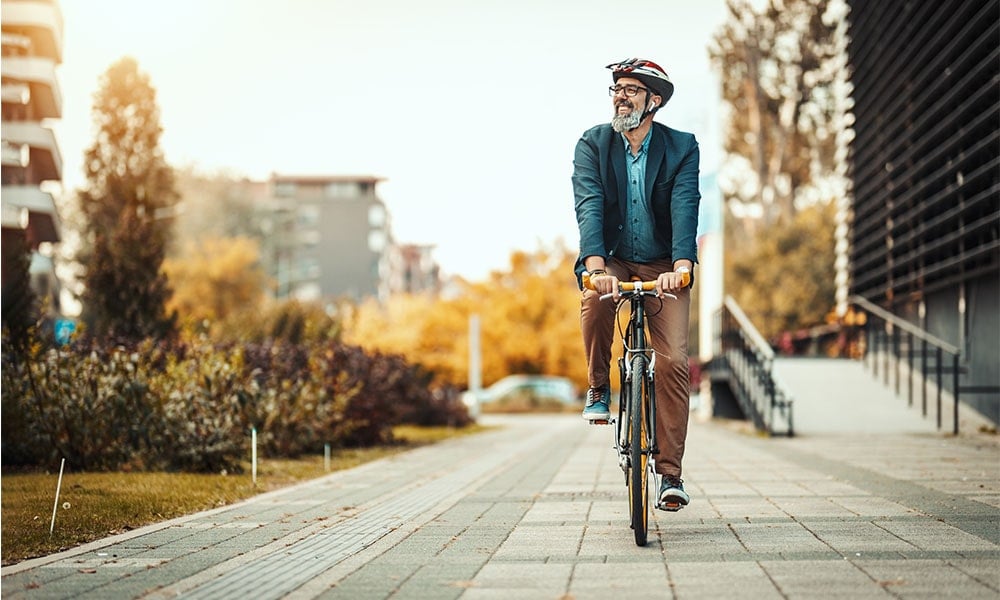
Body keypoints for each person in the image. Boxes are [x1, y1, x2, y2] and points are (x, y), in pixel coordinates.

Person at [572, 58, 700, 510]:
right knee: (595, 298)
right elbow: (588, 204)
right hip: (615, 259)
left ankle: (670, 477)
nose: (620, 95)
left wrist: (682, 264)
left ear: (654, 101)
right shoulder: (593, 143)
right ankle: (598, 388)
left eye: (630, 89)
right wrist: (595, 266)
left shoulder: (682, 147)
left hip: (666, 263)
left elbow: (686, 204)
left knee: (671, 363)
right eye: (616, 89)